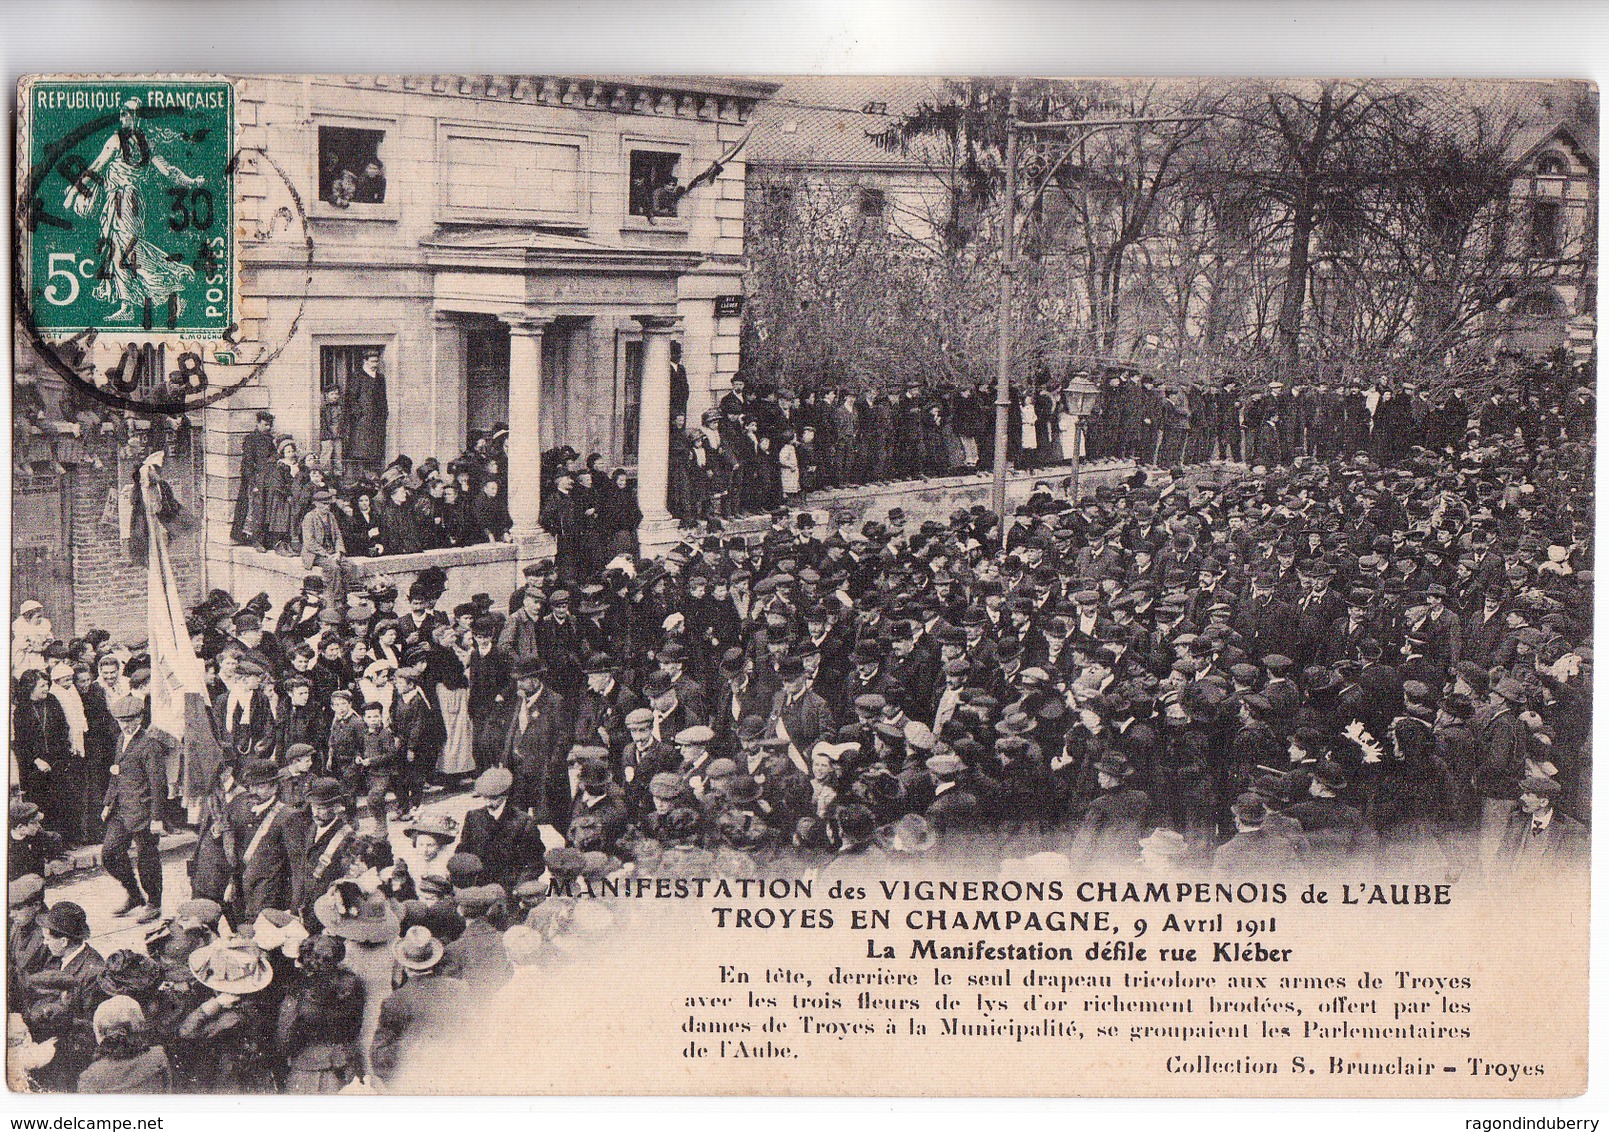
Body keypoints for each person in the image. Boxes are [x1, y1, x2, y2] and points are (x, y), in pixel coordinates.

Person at [101, 695, 171, 924]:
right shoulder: (121, 738)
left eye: (132, 719)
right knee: (110, 855)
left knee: (147, 860)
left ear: (141, 717)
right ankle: (134, 894)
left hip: (143, 812)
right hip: (120, 810)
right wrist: (108, 802)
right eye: (123, 720)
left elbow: (158, 784)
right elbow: (116, 772)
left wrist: (157, 818)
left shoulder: (149, 744)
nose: (128, 724)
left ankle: (154, 902)